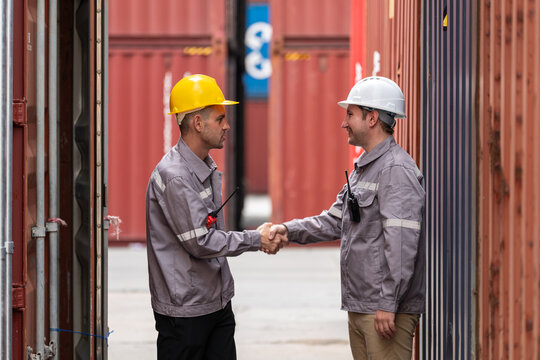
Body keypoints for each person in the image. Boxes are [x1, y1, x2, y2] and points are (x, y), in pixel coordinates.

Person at [270, 76, 425, 360]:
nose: (344, 123)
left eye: (350, 114)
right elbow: (333, 221)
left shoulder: (395, 170)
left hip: (384, 312)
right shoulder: (365, 168)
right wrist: (286, 230)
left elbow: (401, 242)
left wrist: (388, 303)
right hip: (364, 306)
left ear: (372, 118)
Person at [146, 74, 282, 360]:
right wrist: (257, 239)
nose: (227, 126)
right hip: (185, 312)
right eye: (220, 119)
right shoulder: (175, 176)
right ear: (198, 123)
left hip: (216, 303)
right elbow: (201, 242)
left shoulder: (203, 167)